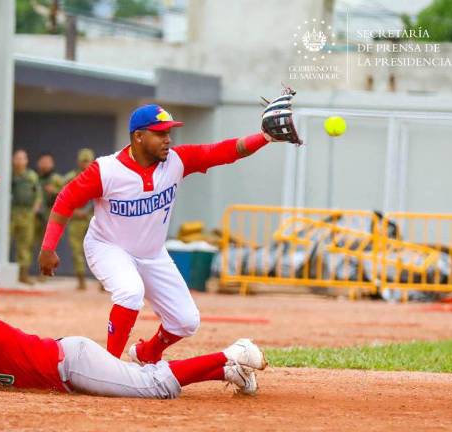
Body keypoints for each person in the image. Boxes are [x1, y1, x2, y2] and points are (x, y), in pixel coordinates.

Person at [38, 97, 298, 364]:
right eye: (160, 133)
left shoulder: (176, 161)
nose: (168, 139)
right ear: (138, 137)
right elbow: (66, 200)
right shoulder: (106, 170)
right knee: (130, 291)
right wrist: (48, 247)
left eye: (169, 133)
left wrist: (264, 137)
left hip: (152, 254)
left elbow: (224, 151)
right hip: (107, 247)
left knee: (186, 321)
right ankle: (108, 366)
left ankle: (147, 353)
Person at [0, 291, 267, 399]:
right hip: (70, 361)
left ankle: (231, 353)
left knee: (153, 386)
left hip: (72, 364)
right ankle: (227, 371)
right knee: (141, 377)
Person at [63, 148, 96, 291]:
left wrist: (88, 211)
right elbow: (64, 197)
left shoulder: (98, 177)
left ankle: (103, 282)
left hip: (94, 219)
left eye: (88, 161)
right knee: (76, 250)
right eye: (83, 161)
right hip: (76, 219)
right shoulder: (71, 177)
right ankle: (81, 279)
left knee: (97, 251)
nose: (85, 164)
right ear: (78, 162)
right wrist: (75, 211)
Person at [10, 149, 42, 285]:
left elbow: (38, 193)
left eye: (22, 158)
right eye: (17, 158)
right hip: (12, 212)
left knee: (25, 243)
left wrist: (36, 206)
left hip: (27, 213)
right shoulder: (9, 174)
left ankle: (23, 274)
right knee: (3, 240)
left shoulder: (31, 176)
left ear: (26, 161)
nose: (19, 161)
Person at [34, 152, 63, 278]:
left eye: (47, 162)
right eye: (43, 162)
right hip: (35, 215)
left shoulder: (56, 179)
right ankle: (28, 274)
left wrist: (54, 191)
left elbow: (65, 194)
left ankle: (44, 275)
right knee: (31, 243)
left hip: (50, 215)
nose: (45, 165)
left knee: (47, 245)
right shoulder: (35, 178)